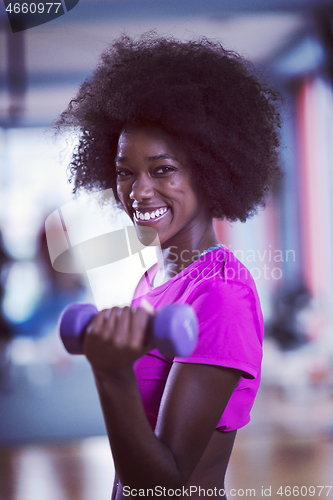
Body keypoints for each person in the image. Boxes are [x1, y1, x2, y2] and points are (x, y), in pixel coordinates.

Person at [56, 33, 282, 499]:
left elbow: (162, 486)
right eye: (125, 171)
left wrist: (111, 372)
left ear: (210, 169)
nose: (138, 191)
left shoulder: (219, 295)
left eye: (162, 169)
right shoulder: (156, 278)